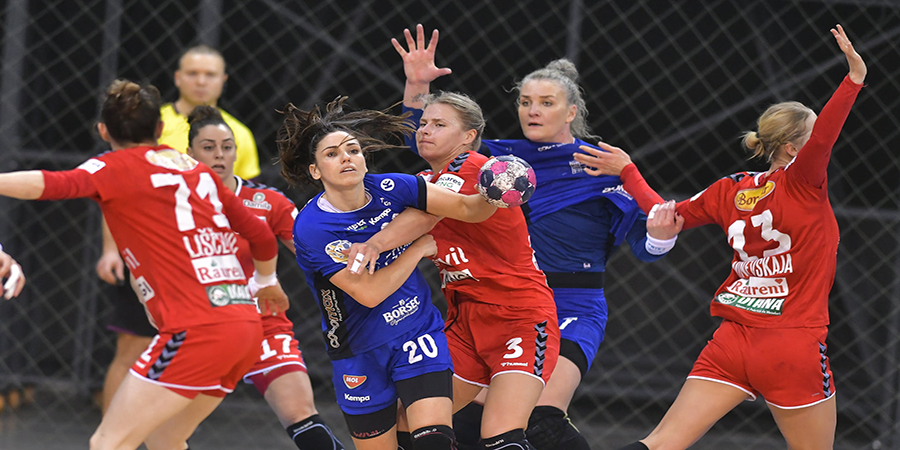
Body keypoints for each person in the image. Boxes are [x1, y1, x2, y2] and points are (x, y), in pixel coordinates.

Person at [572, 25, 865, 450]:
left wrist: (629, 172)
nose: (822, 145)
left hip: (732, 341)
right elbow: (824, 138)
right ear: (790, 149)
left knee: (661, 442)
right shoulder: (803, 182)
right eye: (812, 136)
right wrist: (853, 78)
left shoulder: (730, 188)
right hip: (791, 344)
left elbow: (664, 216)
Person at [393, 25, 677, 449]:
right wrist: (417, 84)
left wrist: (658, 234)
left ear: (571, 111)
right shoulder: (501, 160)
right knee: (461, 421)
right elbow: (424, 142)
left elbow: (649, 245)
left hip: (571, 305)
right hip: (495, 302)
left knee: (539, 420)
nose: (533, 111)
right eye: (525, 102)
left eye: (546, 103)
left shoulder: (600, 165)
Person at [0, 79, 289, 450]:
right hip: (245, 328)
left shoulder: (114, 168)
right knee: (165, 440)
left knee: (108, 442)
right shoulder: (196, 171)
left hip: (196, 331)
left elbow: (51, 184)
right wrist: (267, 280)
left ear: (103, 131)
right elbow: (261, 236)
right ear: (158, 130)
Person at [277, 96, 498, 450]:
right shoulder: (313, 227)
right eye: (332, 154)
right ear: (315, 171)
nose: (346, 157)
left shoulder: (392, 188)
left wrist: (499, 191)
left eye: (352, 149)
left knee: (435, 442)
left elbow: (466, 208)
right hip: (359, 350)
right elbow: (370, 293)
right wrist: (419, 248)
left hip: (416, 333)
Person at [347, 91, 561, 450]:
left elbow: (427, 214)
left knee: (500, 435)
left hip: (520, 318)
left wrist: (376, 244)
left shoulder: (474, 166)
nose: (425, 130)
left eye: (439, 124)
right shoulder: (420, 180)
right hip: (464, 323)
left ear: (468, 136)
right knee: (405, 421)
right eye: (424, 123)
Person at [186, 105, 344, 450]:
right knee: (162, 430)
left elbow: (318, 252)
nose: (219, 155)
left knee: (301, 413)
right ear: (189, 153)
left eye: (227, 147)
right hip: (198, 329)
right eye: (208, 147)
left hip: (260, 325)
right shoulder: (174, 205)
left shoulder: (265, 202)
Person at [158, 45, 261, 179]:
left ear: (223, 80)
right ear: (177, 78)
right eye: (192, 73)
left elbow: (247, 192)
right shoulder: (151, 124)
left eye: (210, 75)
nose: (201, 82)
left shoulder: (240, 134)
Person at [95, 219, 157, 414]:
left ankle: (169, 440)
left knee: (190, 353)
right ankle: (108, 442)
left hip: (198, 258)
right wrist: (111, 249)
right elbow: (111, 193)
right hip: (146, 253)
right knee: (132, 350)